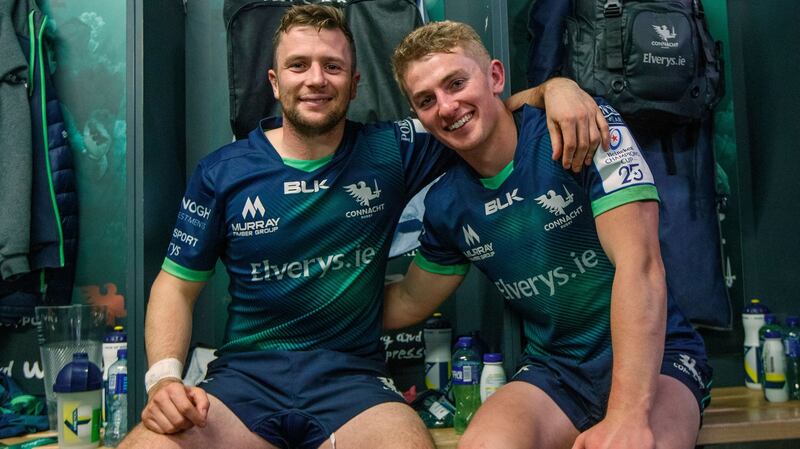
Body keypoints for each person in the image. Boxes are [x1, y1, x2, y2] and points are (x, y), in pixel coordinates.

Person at [119, 5, 606, 449]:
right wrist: (163, 379)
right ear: (274, 81)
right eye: (298, 65)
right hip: (244, 380)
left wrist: (554, 89)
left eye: (332, 67)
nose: (316, 79)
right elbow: (175, 287)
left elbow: (481, 113)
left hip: (353, 382)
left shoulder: (393, 148)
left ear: (354, 84)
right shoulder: (222, 171)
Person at [386, 21, 711, 449]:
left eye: (457, 82)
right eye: (426, 100)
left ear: (495, 77)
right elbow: (410, 299)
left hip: (659, 358)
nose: (446, 107)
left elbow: (641, 265)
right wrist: (306, 314)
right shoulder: (447, 203)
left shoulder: (582, 126)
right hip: (556, 369)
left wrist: (627, 417)